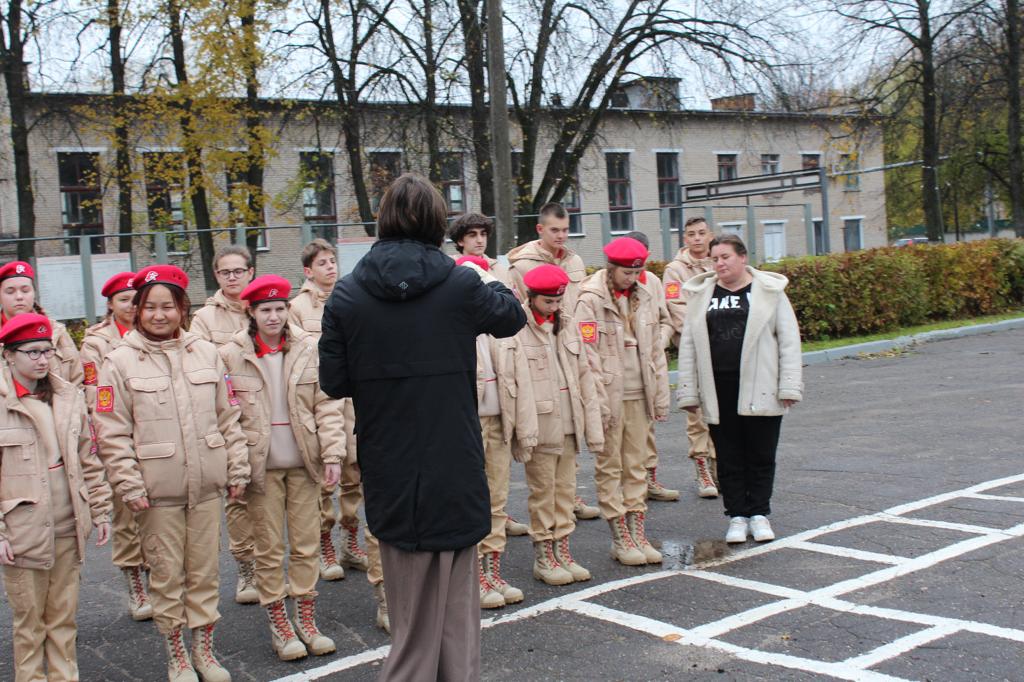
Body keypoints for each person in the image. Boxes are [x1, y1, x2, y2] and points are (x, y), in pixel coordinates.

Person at [319, 173, 526, 681]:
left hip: (389, 463)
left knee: (410, 616)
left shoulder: (347, 295)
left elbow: (333, 381)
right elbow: (511, 317)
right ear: (437, 222)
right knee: (458, 619)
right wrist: (483, 274)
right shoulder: (460, 283)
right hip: (452, 460)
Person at [94, 264, 250, 682]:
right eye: (150, 307)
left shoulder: (207, 353)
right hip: (155, 493)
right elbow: (111, 432)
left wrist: (237, 468)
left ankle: (204, 652)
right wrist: (128, 484)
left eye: (168, 306)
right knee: (166, 575)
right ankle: (177, 655)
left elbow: (229, 416)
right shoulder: (118, 362)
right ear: (138, 310)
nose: (159, 315)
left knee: (205, 573)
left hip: (206, 487)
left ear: (183, 308)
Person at [219, 275, 344, 661]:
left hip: (304, 463)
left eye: (279, 308)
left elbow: (327, 403)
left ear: (288, 309)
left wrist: (333, 454)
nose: (273, 317)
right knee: (270, 549)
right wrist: (236, 469)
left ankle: (306, 619)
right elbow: (227, 416)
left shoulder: (308, 347)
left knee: (306, 545)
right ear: (251, 313)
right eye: (265, 310)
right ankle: (280, 623)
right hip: (262, 469)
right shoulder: (230, 355)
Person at [0, 313, 112, 682]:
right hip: (22, 529)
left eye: (47, 351)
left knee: (63, 619)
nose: (42, 360)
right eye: (32, 352)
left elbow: (88, 457)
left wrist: (100, 509)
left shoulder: (67, 396)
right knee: (30, 623)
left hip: (68, 523)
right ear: (8, 355)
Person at [288, 240, 389, 634]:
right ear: (308, 270)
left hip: (353, 401)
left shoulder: (349, 296)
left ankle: (349, 542)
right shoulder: (299, 307)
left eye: (332, 261)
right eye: (322, 263)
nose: (330, 267)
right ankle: (326, 545)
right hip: (324, 401)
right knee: (324, 484)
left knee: (355, 478)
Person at [676, 234, 803, 544]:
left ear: (742, 257)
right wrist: (688, 391)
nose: (719, 264)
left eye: (725, 257)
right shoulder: (702, 294)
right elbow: (688, 345)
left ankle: (759, 514)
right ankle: (736, 515)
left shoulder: (769, 291)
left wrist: (789, 386)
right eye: (714, 259)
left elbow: (789, 340)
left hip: (762, 385)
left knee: (761, 453)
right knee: (728, 455)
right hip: (718, 388)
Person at [575, 237, 669, 566]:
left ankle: (637, 530)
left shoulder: (644, 295)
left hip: (639, 393)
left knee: (637, 466)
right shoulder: (590, 299)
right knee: (609, 467)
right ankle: (620, 536)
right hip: (608, 395)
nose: (632, 279)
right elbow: (586, 356)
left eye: (637, 272)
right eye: (627, 273)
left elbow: (655, 350)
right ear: (611, 268)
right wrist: (598, 403)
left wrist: (660, 395)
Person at [506, 203, 600, 522]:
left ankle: (570, 498)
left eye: (565, 229)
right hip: (537, 349)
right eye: (554, 230)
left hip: (569, 344)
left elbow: (581, 306)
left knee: (570, 432)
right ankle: (552, 518)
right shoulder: (521, 266)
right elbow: (519, 313)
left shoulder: (574, 261)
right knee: (547, 454)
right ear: (540, 229)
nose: (561, 236)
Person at [455, 254, 537, 609]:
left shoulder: (499, 324)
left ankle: (493, 570)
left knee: (497, 501)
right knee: (470, 502)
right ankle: (473, 575)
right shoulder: (454, 322)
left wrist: (524, 429)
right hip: (467, 426)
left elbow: (520, 377)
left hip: (499, 420)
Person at [514, 265, 604, 586]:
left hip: (569, 422)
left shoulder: (567, 325)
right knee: (543, 492)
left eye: (558, 301)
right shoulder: (517, 328)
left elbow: (584, 376)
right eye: (547, 301)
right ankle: (544, 555)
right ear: (532, 297)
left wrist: (592, 424)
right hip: (540, 425)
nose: (554, 307)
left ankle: (563, 550)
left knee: (566, 491)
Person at [449, 215, 529, 538]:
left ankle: (498, 522)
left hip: (501, 387)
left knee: (499, 474)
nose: (479, 240)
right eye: (472, 235)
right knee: (470, 480)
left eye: (483, 234)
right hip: (471, 402)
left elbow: (515, 324)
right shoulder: (453, 275)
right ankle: (480, 544)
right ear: (460, 241)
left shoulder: (501, 272)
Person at [80, 271, 153, 621]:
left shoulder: (151, 334)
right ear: (110, 304)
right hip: (119, 434)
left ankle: (159, 579)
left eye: (136, 300)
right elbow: (97, 394)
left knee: (156, 513)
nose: (131, 306)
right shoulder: (97, 342)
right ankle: (135, 584)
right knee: (127, 513)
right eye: (123, 300)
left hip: (154, 434)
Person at [190, 245, 260, 605]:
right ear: (216, 275)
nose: (232, 277)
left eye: (238, 271)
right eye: (224, 272)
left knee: (279, 494)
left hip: (268, 415)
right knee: (239, 496)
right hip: (231, 418)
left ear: (251, 272)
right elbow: (201, 368)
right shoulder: (204, 319)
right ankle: (247, 568)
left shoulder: (267, 306)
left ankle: (275, 566)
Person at [664, 217, 720, 499]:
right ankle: (702, 466)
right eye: (691, 234)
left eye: (701, 233)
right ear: (684, 238)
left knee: (722, 411)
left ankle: (720, 464)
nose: (697, 238)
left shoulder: (720, 262)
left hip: (723, 348)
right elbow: (676, 308)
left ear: (710, 235)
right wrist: (707, 330)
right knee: (697, 411)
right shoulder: (675, 270)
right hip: (695, 349)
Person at [622, 231, 679, 503]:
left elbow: (666, 319)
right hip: (626, 369)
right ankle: (628, 485)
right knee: (627, 431)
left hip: (650, 362)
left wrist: (660, 340)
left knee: (649, 423)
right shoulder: (611, 286)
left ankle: (650, 479)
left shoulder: (653, 282)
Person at [0, 261, 83, 386]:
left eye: (25, 290)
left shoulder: (57, 331)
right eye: (10, 292)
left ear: (34, 293)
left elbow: (77, 381)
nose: (19, 296)